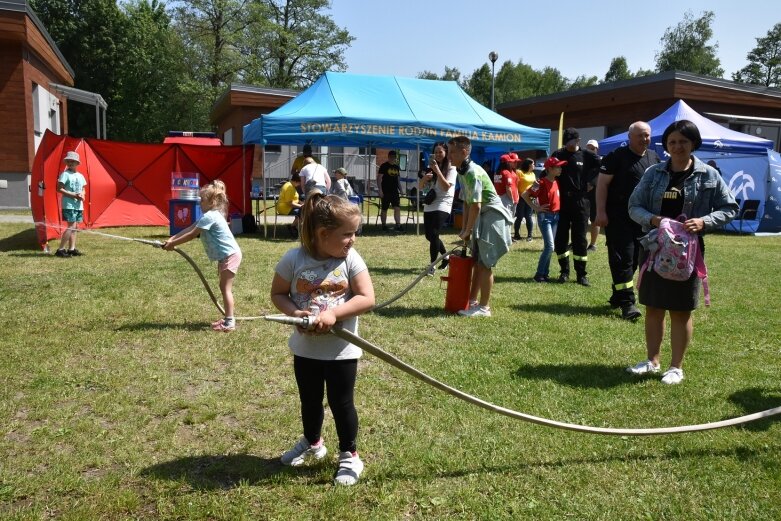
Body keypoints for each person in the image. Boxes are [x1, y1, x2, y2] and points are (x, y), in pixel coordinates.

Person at [270, 192, 375, 486]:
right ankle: (313, 443)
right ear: (323, 234)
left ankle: (350, 455)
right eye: (347, 234)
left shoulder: (351, 259)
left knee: (341, 403)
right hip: (306, 350)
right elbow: (278, 294)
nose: (353, 240)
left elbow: (367, 298)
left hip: (341, 351)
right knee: (310, 400)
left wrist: (335, 314)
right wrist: (295, 313)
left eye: (355, 233)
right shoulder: (293, 259)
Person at [627, 119, 738, 384]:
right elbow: (634, 206)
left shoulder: (708, 175)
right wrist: (654, 220)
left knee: (680, 310)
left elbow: (730, 207)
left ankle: (676, 367)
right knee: (653, 307)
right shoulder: (653, 173)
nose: (677, 147)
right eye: (672, 142)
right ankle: (652, 361)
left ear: (693, 144)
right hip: (655, 248)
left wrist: (704, 222)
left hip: (687, 253)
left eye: (683, 142)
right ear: (666, 144)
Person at [595, 121, 660, 321]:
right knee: (623, 258)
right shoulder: (616, 157)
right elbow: (602, 185)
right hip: (618, 217)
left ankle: (618, 295)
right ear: (629, 137)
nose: (644, 139)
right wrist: (601, 212)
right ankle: (627, 303)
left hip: (644, 220)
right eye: (640, 135)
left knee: (635, 261)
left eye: (647, 135)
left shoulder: (654, 158)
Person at [163, 180, 242, 332]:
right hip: (226, 256)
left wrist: (174, 244)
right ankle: (228, 318)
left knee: (225, 288)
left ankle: (230, 322)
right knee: (223, 287)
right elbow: (189, 228)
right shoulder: (209, 215)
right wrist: (171, 240)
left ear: (212, 201)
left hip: (230, 255)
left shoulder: (210, 217)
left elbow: (192, 234)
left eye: (202, 200)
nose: (199, 202)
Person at [448, 136, 513, 317]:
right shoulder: (462, 171)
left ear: (464, 152)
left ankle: (484, 308)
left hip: (492, 215)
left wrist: (469, 229)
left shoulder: (473, 172)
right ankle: (472, 301)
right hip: (481, 215)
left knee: (485, 263)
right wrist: (465, 229)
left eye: (452, 152)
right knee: (477, 261)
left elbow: (476, 205)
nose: (449, 156)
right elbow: (468, 203)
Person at [552, 128, 601, 286]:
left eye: (572, 143)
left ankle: (581, 274)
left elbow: (602, 167)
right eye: (567, 143)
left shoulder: (587, 155)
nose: (569, 146)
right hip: (562, 202)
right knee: (560, 239)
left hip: (581, 202)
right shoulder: (558, 154)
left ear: (578, 141)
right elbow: (548, 171)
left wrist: (592, 182)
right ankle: (564, 272)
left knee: (579, 238)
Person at [522, 156, 566, 282]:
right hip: (545, 217)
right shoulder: (540, 183)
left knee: (550, 247)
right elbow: (525, 195)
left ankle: (544, 274)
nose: (560, 169)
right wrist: (536, 207)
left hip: (555, 217)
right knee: (550, 247)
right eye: (558, 167)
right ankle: (539, 274)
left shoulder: (556, 182)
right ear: (550, 169)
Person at [419, 142, 457, 275]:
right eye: (436, 152)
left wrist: (437, 171)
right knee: (429, 235)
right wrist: (424, 178)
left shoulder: (452, 168)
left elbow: (447, 187)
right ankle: (446, 258)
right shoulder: (432, 167)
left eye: (440, 152)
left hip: (444, 203)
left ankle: (432, 265)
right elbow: (420, 187)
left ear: (446, 153)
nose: (438, 154)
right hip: (431, 202)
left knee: (434, 232)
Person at [54, 151, 87, 258]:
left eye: (73, 161)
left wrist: (83, 195)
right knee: (71, 226)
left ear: (77, 163)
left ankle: (71, 249)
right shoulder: (65, 174)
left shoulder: (80, 176)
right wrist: (73, 195)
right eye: (68, 161)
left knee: (75, 226)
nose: (70, 163)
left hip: (78, 205)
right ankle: (60, 249)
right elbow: (59, 189)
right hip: (68, 204)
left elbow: (83, 189)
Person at [376, 150, 403, 231]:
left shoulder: (397, 167)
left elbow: (398, 180)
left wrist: (401, 190)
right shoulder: (384, 166)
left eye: (394, 157)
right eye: (391, 157)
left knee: (397, 208)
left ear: (395, 158)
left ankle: (398, 225)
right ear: (388, 157)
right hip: (385, 191)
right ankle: (384, 225)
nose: (392, 158)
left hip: (395, 191)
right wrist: (380, 190)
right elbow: (379, 179)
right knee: (384, 209)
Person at [514, 157, 537, 242]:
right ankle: (516, 234)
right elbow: (515, 184)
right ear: (529, 164)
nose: (534, 165)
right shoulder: (519, 172)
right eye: (533, 164)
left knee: (529, 216)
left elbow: (534, 186)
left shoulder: (532, 174)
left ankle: (529, 235)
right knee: (519, 216)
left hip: (530, 198)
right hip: (521, 197)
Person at [585, 139, 602, 251]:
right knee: (581, 219)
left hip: (596, 194)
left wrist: (591, 183)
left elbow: (602, 175)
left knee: (595, 220)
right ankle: (579, 241)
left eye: (593, 148)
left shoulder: (601, 161)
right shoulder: (582, 160)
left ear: (597, 149)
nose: (590, 150)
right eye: (589, 148)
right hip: (583, 194)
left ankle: (593, 244)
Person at [493, 154, 519, 221]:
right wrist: (512, 199)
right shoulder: (506, 173)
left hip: (500, 197)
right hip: (507, 198)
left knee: (502, 218)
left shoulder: (497, 172)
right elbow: (508, 188)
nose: (516, 163)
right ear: (508, 162)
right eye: (512, 161)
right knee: (508, 218)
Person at [277, 172, 304, 237]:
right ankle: (292, 227)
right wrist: (301, 206)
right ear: (296, 181)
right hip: (285, 208)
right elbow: (289, 203)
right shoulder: (289, 187)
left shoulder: (290, 185)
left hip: (288, 207)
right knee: (303, 212)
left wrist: (301, 203)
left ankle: (293, 226)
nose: (300, 184)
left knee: (303, 210)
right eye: (300, 182)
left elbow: (294, 199)